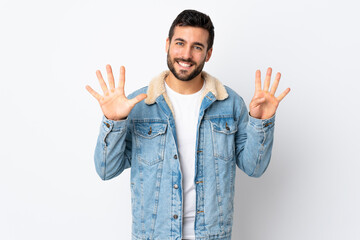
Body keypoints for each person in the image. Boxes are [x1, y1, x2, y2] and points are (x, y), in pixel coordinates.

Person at [86, 9, 290, 240]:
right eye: (180, 43)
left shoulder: (230, 104)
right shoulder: (138, 105)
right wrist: (114, 121)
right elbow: (105, 170)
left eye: (197, 47)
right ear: (167, 44)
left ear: (208, 53)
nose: (186, 54)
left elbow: (254, 168)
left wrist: (261, 122)